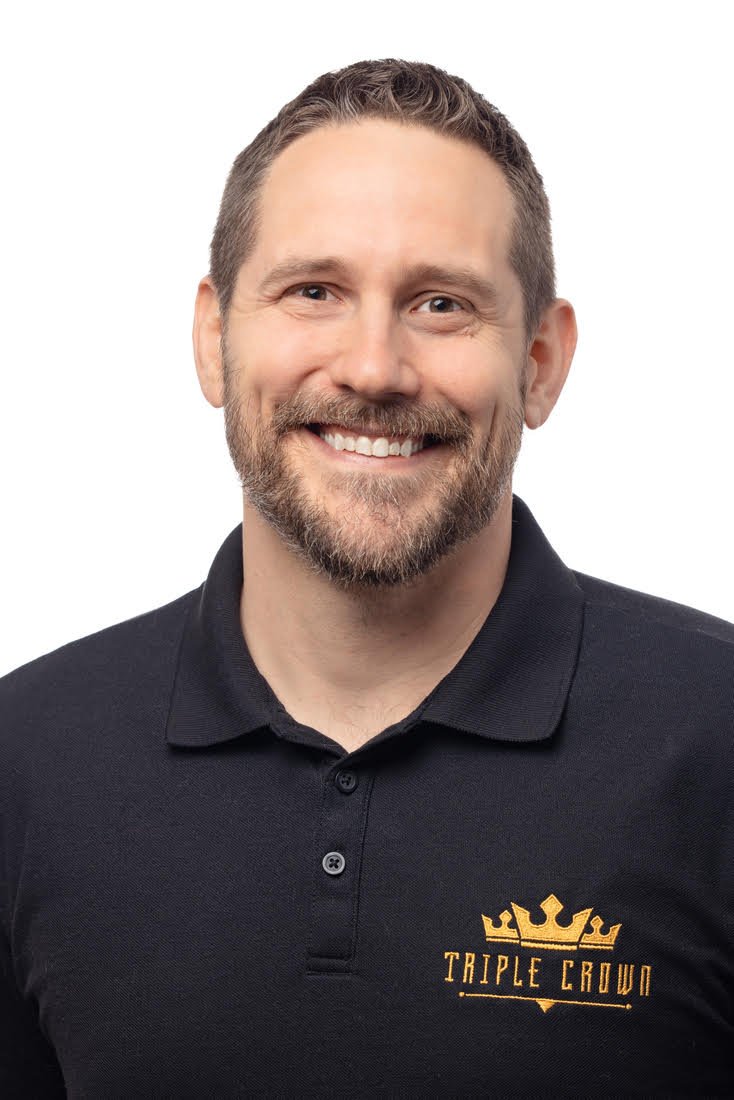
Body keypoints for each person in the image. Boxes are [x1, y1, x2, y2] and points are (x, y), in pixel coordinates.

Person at [1, 58, 732, 1100]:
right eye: (313, 291)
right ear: (213, 337)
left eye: (440, 303)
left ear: (539, 361)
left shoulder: (713, 738)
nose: (373, 367)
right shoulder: (26, 754)